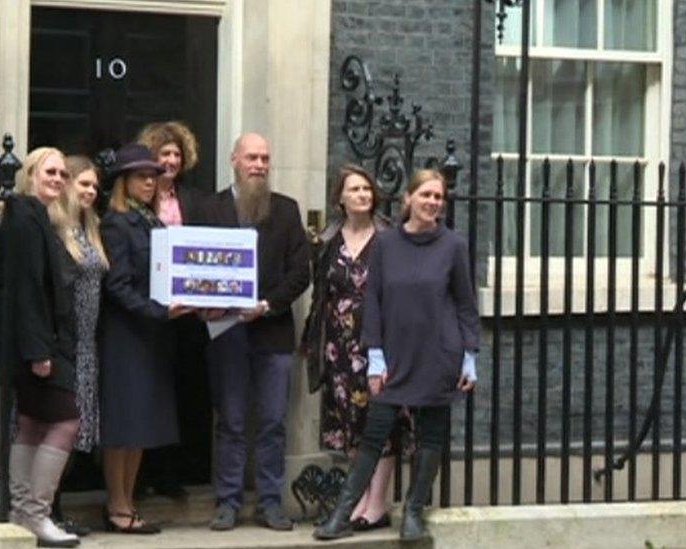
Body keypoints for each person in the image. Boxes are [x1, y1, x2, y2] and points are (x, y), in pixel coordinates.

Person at [314, 169, 480, 542]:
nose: (432, 202)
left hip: (439, 354)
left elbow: (467, 305)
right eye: (425, 195)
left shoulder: (454, 246)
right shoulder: (386, 244)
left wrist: (470, 354)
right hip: (395, 354)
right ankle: (341, 516)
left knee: (430, 437)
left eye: (438, 197)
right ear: (408, 199)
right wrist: (375, 356)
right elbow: (373, 301)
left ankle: (414, 513)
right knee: (374, 434)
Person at [200, 133, 310, 531]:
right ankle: (227, 501)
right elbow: (196, 266)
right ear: (234, 160)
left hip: (273, 332)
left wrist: (265, 305)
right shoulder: (209, 207)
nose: (259, 165)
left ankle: (270, 502)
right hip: (225, 330)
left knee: (272, 422)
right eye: (252, 157)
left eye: (265, 158)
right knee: (229, 421)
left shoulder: (286, 210)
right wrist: (203, 302)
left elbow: (301, 272)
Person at [301, 164, 414, 531]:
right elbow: (321, 294)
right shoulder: (328, 238)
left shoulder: (389, 237)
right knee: (349, 423)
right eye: (355, 189)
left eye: (367, 189)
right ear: (341, 198)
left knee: (380, 421)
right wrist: (311, 338)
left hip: (376, 341)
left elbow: (400, 292)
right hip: (338, 345)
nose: (363, 195)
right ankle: (360, 496)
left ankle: (377, 502)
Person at [0, 147, 81, 548]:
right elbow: (26, 289)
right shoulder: (26, 219)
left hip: (32, 341)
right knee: (66, 421)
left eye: (63, 173)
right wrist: (39, 351)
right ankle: (36, 514)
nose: (58, 179)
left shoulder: (31, 215)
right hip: (38, 343)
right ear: (29, 174)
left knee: (31, 422)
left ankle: (21, 513)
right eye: (50, 172)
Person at [98, 143, 192, 534]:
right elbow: (116, 286)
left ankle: (129, 498)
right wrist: (159, 311)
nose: (151, 181)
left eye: (154, 176)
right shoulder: (116, 223)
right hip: (125, 336)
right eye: (141, 176)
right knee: (122, 425)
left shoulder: (153, 223)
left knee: (141, 426)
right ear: (124, 182)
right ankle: (117, 505)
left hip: (152, 335)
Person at [134, 121, 212, 497]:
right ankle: (144, 474)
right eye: (164, 154)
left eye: (176, 154)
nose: (171, 160)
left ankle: (173, 473)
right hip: (148, 313)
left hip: (188, 315)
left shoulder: (195, 200)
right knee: (148, 390)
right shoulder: (137, 200)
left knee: (183, 390)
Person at [48, 156, 108, 537]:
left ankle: (52, 507)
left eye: (93, 186)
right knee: (56, 432)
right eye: (83, 183)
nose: (89, 191)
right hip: (63, 347)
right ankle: (44, 509)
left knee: (73, 435)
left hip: (88, 346)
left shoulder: (91, 227)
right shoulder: (54, 230)